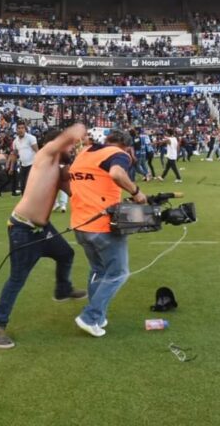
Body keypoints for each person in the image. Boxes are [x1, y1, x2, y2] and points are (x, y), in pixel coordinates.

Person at [0, 124, 88, 349]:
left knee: (66, 254)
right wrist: (81, 131)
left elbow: (76, 191)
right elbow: (74, 131)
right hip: (23, 229)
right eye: (69, 145)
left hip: (42, 229)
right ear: (56, 144)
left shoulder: (57, 169)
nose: (72, 148)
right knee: (17, 279)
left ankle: (62, 289)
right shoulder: (44, 155)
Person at [69, 130, 147, 337]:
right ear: (126, 146)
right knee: (119, 273)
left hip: (80, 224)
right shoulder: (117, 153)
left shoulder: (85, 152)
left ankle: (98, 316)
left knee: (99, 269)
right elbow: (116, 174)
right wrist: (136, 192)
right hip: (102, 225)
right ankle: (90, 316)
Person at [7, 123, 39, 195]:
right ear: (16, 130)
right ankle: (26, 203)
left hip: (32, 164)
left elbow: (37, 151)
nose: (21, 130)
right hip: (23, 165)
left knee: (28, 183)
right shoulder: (15, 141)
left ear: (25, 129)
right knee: (22, 187)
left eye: (22, 128)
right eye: (19, 128)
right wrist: (11, 168)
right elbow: (14, 155)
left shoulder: (31, 138)